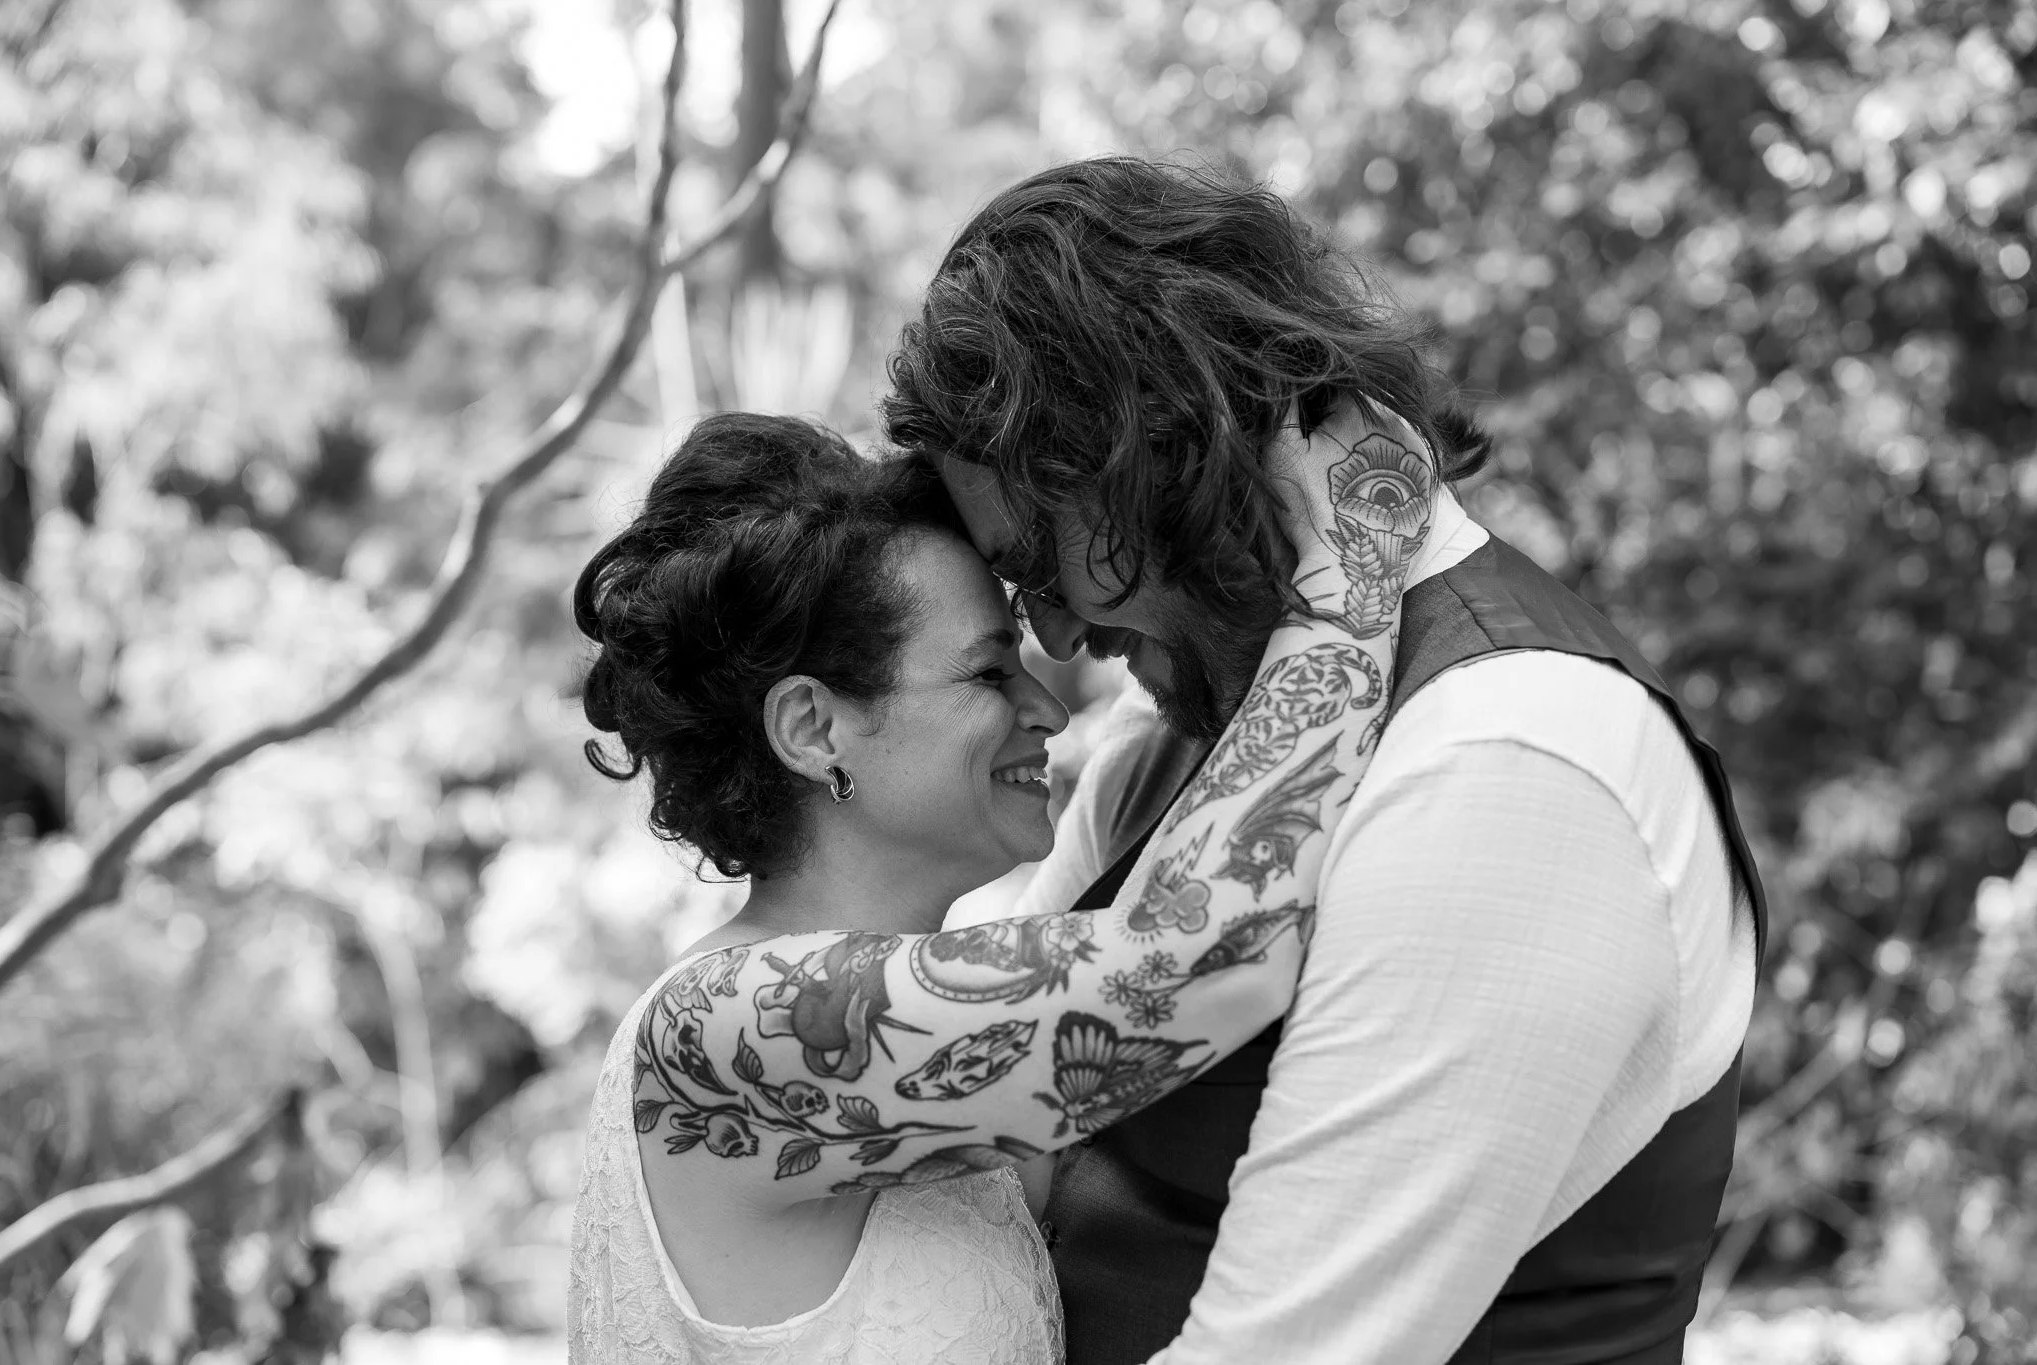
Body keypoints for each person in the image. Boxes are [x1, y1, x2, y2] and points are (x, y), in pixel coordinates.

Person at [884, 156, 1767, 1365]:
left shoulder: (1505, 765)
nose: (1051, 635)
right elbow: (1006, 1124)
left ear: (1167, 455)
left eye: (1042, 562)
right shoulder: (1172, 739)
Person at [564, 407, 1434, 1362]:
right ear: (813, 728)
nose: (1048, 708)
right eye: (987, 672)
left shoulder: (931, 1017)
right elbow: (1185, 968)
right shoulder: (724, 1029)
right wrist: (1352, 568)